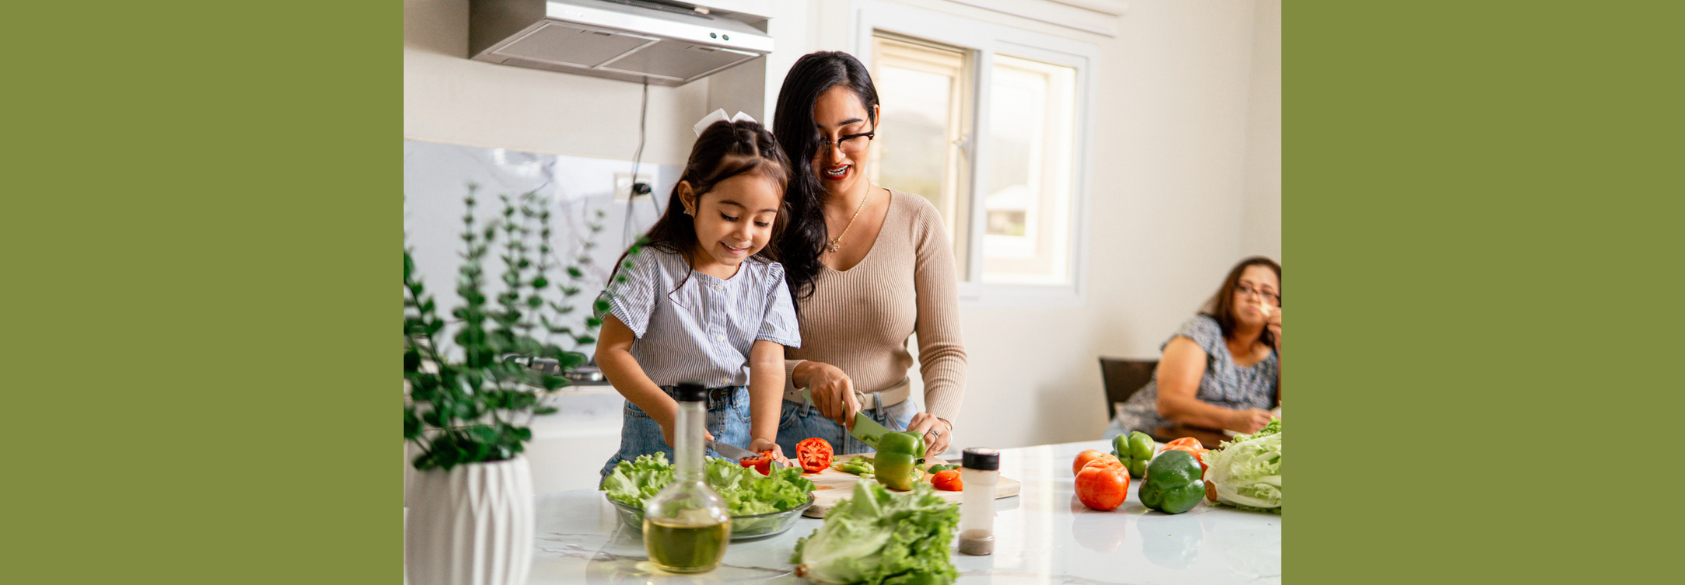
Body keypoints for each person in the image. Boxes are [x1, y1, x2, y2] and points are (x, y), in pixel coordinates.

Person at [769, 51, 967, 461]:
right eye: (817, 140)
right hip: (789, 435)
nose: (836, 156)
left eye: (850, 134)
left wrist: (941, 419)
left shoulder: (918, 219)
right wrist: (805, 372)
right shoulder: (769, 222)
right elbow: (738, 355)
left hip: (895, 435)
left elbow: (944, 350)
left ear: (874, 119)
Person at [596, 115, 802, 480]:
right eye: (729, 215)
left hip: (735, 424)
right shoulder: (652, 264)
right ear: (690, 198)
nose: (744, 234)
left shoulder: (768, 279)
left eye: (762, 222)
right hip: (659, 420)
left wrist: (764, 437)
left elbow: (768, 363)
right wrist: (666, 412)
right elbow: (611, 352)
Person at [1105, 257, 1283, 439]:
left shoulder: (1275, 351)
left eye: (1266, 293)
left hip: (1209, 447)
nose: (1254, 297)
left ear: (1279, 303)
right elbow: (1170, 405)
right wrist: (1234, 419)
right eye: (1244, 288)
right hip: (1140, 437)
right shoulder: (1202, 331)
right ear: (1230, 293)